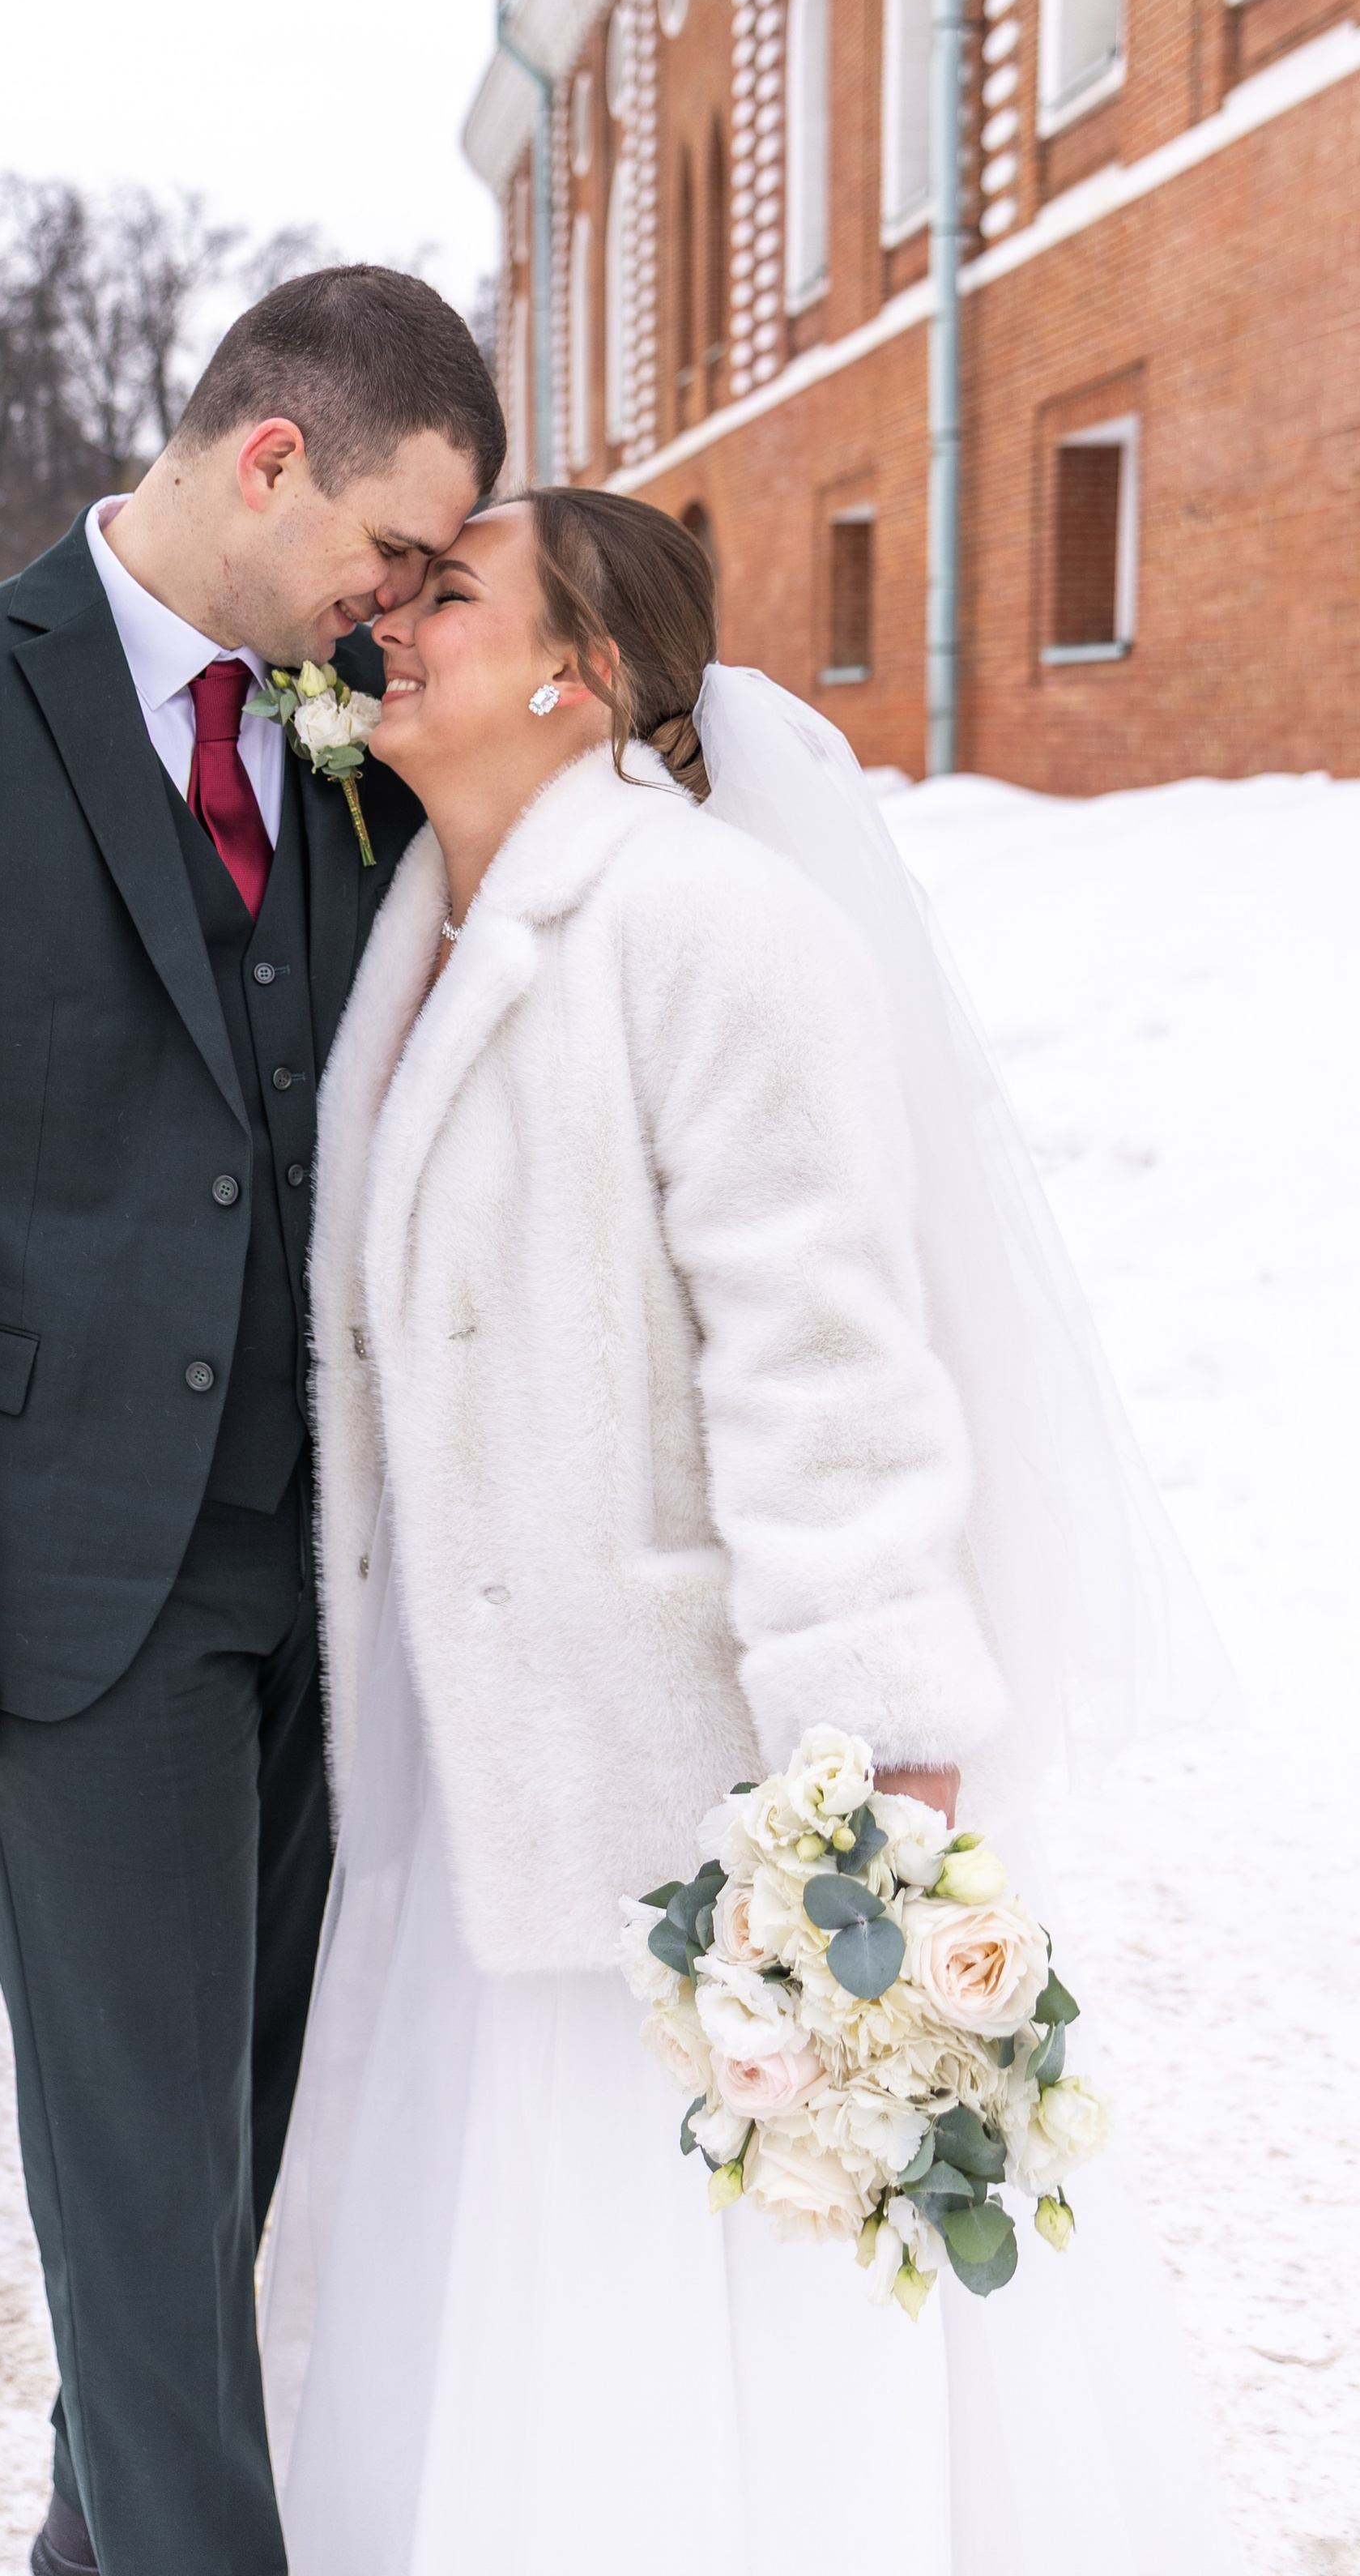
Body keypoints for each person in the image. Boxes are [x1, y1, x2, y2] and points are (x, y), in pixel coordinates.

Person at [261, 487, 1240, 2575]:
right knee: (506, 2259)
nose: (388, 623)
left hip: (678, 1773)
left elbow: (831, 1369)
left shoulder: (715, 930)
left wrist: (872, 1754)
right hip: (475, 1749)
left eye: (447, 593)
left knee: (688, 2268)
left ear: (582, 668)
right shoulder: (423, 924)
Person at [0, 267, 505, 2576]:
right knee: (139, 2173)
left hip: (334, 1573)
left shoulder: (343, 732)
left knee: (238, 2154)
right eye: (395, 551)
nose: (401, 608)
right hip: (80, 1585)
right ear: (269, 458)